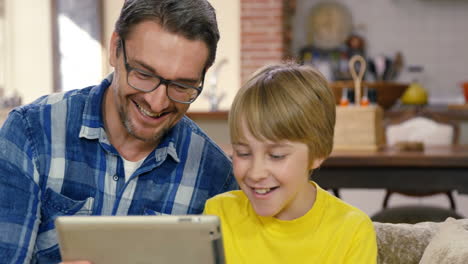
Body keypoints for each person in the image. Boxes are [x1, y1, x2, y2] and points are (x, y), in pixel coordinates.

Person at [0, 0, 237, 263]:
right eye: (144, 74)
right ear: (115, 49)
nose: (157, 103)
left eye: (182, 85)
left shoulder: (217, 176)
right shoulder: (32, 133)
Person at [204, 62, 377, 263]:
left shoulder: (352, 232)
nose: (255, 173)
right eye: (243, 153)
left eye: (276, 155)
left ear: (317, 153)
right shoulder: (218, 215)